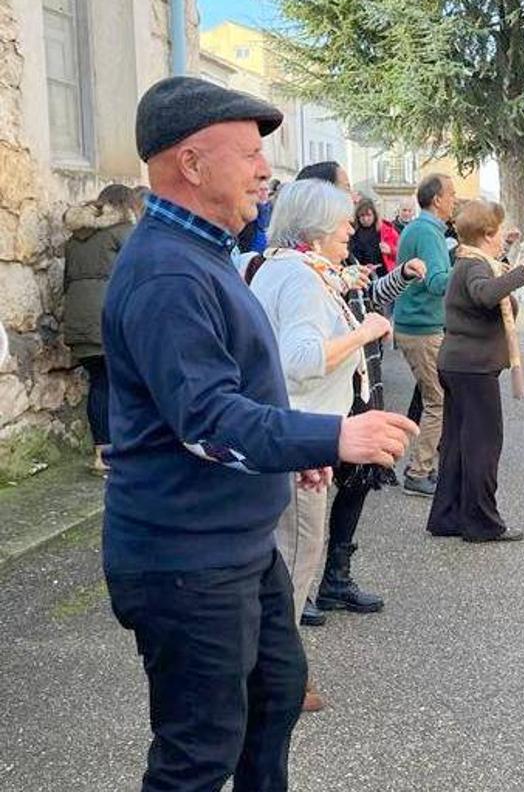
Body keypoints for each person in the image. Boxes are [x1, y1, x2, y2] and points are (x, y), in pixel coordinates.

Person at [102, 77, 417, 791]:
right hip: (187, 561)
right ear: (190, 163)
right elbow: (208, 421)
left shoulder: (203, 254)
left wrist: (280, 456)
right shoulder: (166, 275)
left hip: (231, 546)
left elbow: (236, 382)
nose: (264, 169)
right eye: (247, 153)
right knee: (198, 755)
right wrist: (330, 437)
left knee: (274, 697)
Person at [247, 178, 401, 712]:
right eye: (341, 223)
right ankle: (275, 685)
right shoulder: (302, 279)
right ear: (314, 229)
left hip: (290, 435)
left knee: (286, 561)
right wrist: (367, 331)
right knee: (293, 563)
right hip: (298, 439)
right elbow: (303, 361)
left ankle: (276, 676)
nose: (348, 232)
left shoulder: (284, 269)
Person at [427, 200, 524, 542]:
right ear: (486, 233)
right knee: (482, 446)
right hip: (473, 367)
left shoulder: (470, 260)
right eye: (497, 231)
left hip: (459, 363)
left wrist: (512, 262)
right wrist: (523, 268)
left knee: (457, 444)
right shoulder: (475, 266)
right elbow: (485, 294)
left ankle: (448, 515)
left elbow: (494, 291)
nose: (500, 237)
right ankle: (480, 522)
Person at [62, 184, 142, 476]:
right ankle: (116, 452)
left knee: (99, 383)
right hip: (110, 317)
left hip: (79, 317)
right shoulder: (124, 233)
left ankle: (101, 454)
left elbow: (68, 279)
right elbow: (138, 277)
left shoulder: (75, 238)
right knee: (118, 385)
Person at [393, 173, 457, 498]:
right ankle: (418, 472)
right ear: (437, 199)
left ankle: (425, 463)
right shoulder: (429, 232)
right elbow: (436, 283)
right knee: (437, 402)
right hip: (422, 328)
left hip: (414, 325)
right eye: (452, 195)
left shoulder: (419, 229)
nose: (455, 200)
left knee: (429, 397)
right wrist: (468, 267)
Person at [351, 196, 399, 275]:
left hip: (383, 274)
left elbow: (401, 252)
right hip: (360, 274)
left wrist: (390, 250)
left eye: (369, 215)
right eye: (362, 216)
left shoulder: (387, 230)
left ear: (375, 215)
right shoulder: (352, 232)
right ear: (358, 216)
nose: (366, 219)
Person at [236, 181, 272, 253]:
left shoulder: (269, 208)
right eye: (261, 189)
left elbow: (264, 225)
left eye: (266, 190)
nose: (264, 192)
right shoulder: (246, 206)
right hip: (244, 248)